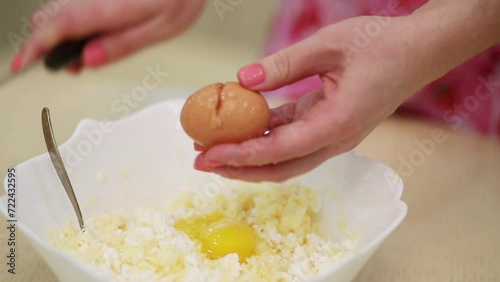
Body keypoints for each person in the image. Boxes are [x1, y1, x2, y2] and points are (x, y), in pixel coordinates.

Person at [11, 0, 500, 182]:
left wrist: (431, 38)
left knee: (453, 187)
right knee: (306, 135)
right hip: (331, 35)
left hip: (471, 62)